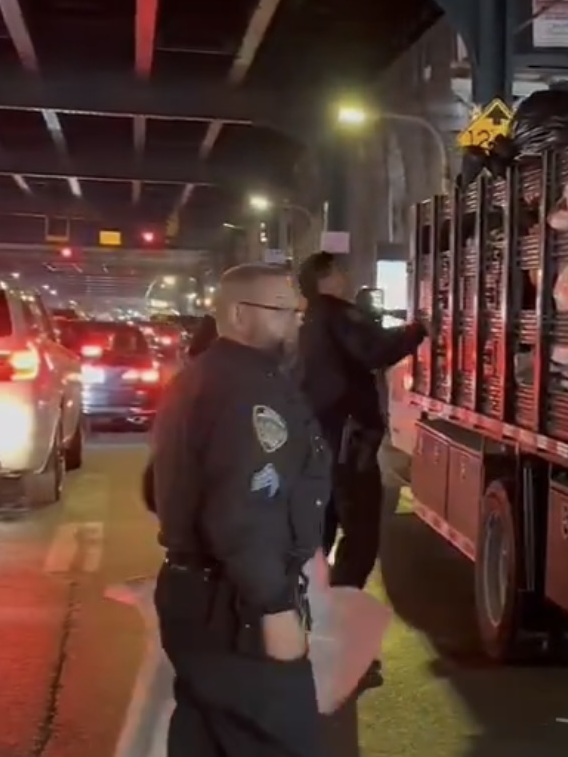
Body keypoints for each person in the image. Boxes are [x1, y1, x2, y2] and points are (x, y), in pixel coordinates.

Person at [150, 262, 331, 757]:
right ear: (238, 314)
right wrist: (273, 607)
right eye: (283, 310)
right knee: (277, 739)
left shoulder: (202, 376)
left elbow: (156, 488)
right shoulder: (249, 392)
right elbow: (242, 513)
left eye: (298, 312)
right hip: (235, 610)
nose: (296, 322)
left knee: (208, 736)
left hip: (197, 596)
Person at [297, 252, 426, 591]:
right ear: (327, 276)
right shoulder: (338, 315)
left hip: (318, 441)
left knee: (319, 528)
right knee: (361, 529)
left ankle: (310, 602)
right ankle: (340, 600)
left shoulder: (309, 319)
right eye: (341, 270)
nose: (346, 276)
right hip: (348, 442)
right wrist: (418, 330)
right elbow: (374, 349)